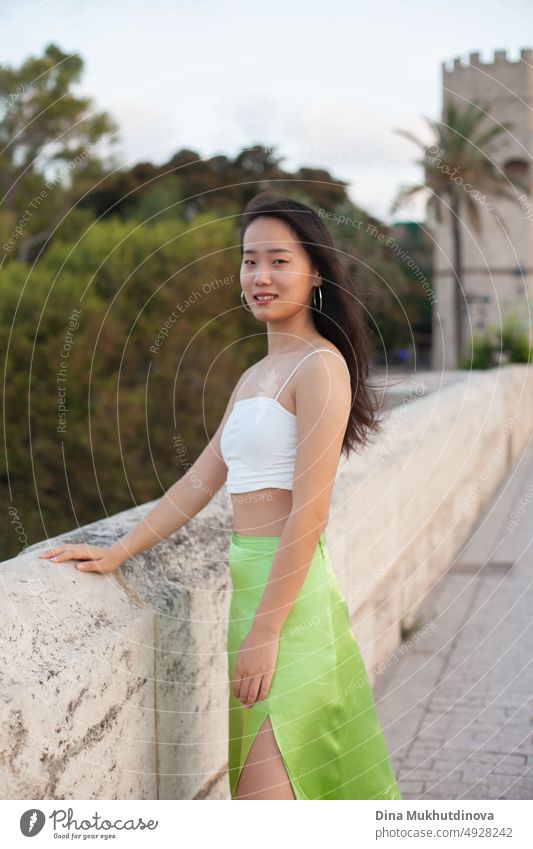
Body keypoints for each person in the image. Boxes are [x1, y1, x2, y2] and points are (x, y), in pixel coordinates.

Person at [39, 192, 402, 801]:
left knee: (276, 799)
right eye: (249, 260)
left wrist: (265, 634)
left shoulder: (320, 366)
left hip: (291, 607)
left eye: (279, 260)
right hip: (251, 596)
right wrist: (117, 551)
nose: (260, 276)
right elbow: (200, 482)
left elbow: (309, 513)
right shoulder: (252, 376)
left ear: (316, 273)